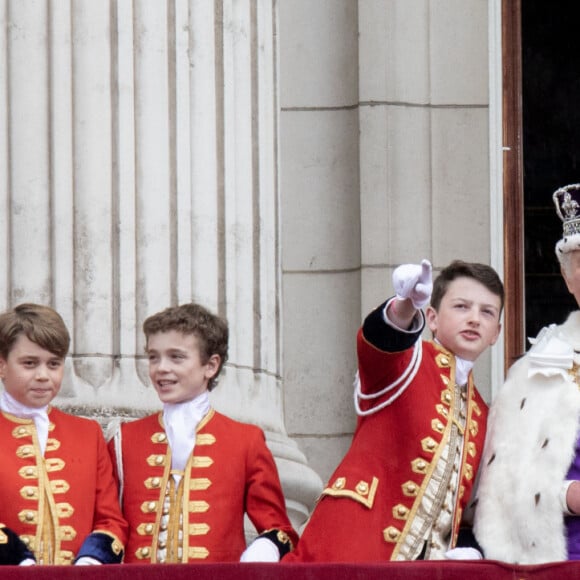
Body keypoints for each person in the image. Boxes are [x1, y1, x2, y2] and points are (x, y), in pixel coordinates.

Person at [285, 259, 504, 562]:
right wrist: (404, 307)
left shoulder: (481, 412)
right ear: (432, 317)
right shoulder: (407, 359)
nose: (475, 319)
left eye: (487, 312)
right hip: (351, 547)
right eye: (461, 307)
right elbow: (379, 345)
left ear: (496, 333)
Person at [108, 302, 298, 564]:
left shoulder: (245, 440)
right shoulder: (123, 439)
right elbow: (107, 522)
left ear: (210, 366)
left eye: (176, 357)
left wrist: (265, 548)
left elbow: (278, 529)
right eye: (153, 357)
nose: (161, 367)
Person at [474, 183, 580, 564]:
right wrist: (568, 495)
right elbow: (503, 488)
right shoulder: (533, 373)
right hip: (565, 560)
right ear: (568, 279)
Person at [0, 303, 127, 566]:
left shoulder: (87, 433)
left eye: (53, 364)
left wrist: (90, 562)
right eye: (29, 363)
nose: (43, 375)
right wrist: (18, 561)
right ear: (2, 365)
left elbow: (111, 520)